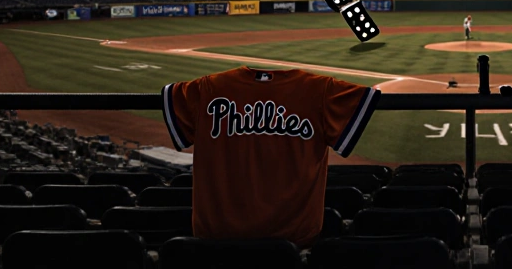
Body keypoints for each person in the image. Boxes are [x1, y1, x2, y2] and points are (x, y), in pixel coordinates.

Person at [161, 66, 379, 246]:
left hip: (216, 238)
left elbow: (171, 96)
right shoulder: (323, 91)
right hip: (293, 241)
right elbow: (368, 97)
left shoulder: (206, 88)